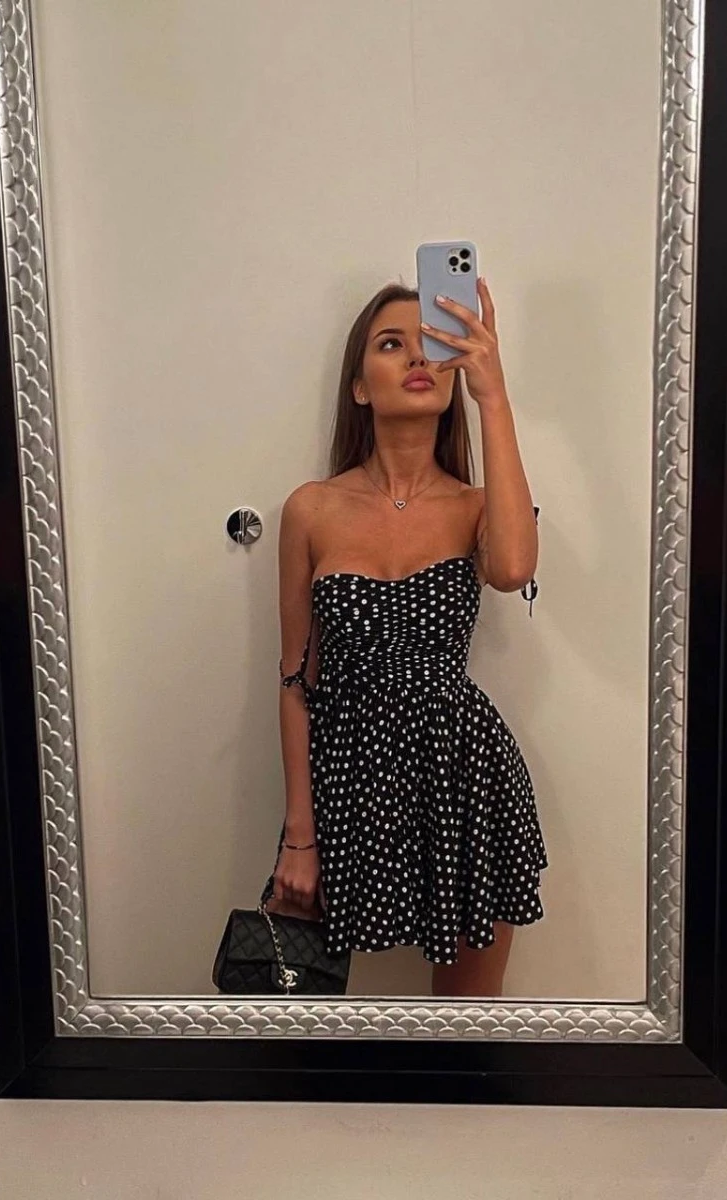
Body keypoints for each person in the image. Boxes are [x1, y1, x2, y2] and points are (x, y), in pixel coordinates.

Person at [268, 276, 548, 998]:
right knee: (306, 1015)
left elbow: (513, 569)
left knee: (465, 1025)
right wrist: (299, 835)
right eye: (392, 344)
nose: (418, 358)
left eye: (432, 346)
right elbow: (296, 682)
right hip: (348, 781)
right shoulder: (311, 509)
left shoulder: (475, 507)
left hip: (464, 777)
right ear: (360, 387)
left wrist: (492, 392)